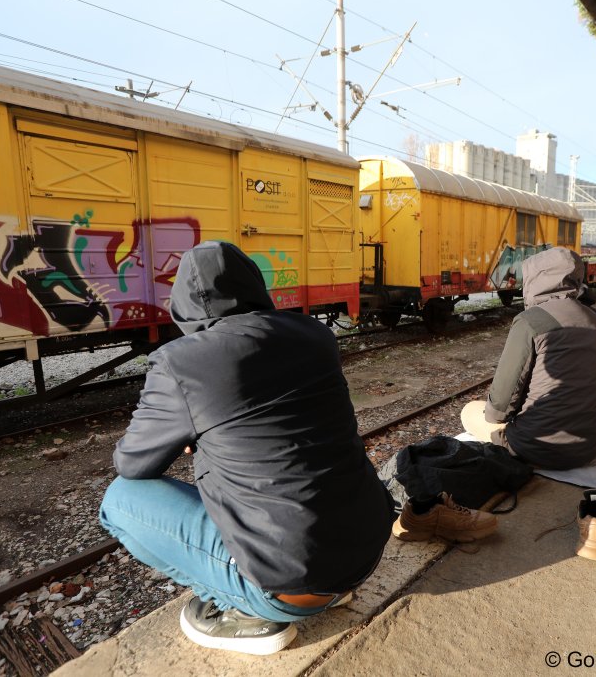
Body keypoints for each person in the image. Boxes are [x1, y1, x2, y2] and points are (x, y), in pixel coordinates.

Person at [98, 241, 394, 656]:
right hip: (365, 553)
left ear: (182, 303)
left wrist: (192, 434)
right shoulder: (314, 335)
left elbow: (131, 463)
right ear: (255, 284)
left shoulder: (179, 361)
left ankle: (245, 611)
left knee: (119, 499)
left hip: (288, 586)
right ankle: (323, 590)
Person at [461, 246, 596, 471]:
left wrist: (501, 417)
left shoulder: (529, 321)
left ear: (534, 279)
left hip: (535, 449)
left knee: (470, 410)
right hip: (591, 447)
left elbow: (500, 407)